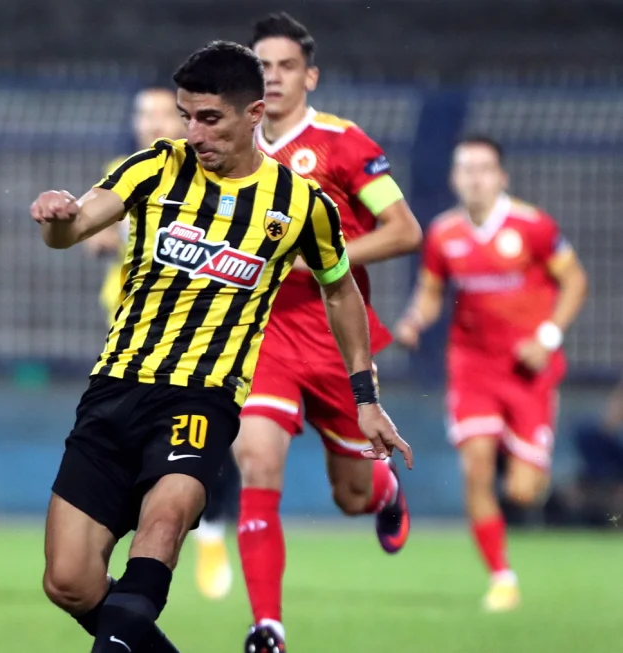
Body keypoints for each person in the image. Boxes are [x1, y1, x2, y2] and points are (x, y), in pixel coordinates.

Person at [30, 41, 412, 653]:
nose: (194, 132)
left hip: (202, 400)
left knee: (164, 524)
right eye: (187, 116)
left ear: (254, 113)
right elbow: (75, 227)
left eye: (210, 118)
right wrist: (58, 219)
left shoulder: (300, 204)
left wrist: (365, 398)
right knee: (69, 581)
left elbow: (340, 290)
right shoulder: (155, 167)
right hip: (115, 389)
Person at [230, 13, 425, 646]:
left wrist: (320, 258)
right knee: (257, 463)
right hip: (262, 338)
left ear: (309, 76)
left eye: (286, 66)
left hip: (338, 341)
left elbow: (405, 231)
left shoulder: (343, 143)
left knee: (350, 496)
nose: (273, 77)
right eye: (262, 66)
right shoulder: (229, 148)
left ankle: (383, 490)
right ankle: (267, 626)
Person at [395, 135, 587, 612]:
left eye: (484, 169)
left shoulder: (533, 226)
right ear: (454, 178)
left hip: (528, 370)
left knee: (523, 490)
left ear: (501, 176)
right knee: (475, 468)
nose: (475, 178)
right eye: (466, 169)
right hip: (472, 367)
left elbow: (576, 281)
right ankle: (502, 577)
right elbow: (431, 292)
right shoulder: (444, 234)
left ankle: (518, 453)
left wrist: (547, 337)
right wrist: (415, 319)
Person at [83, 85, 238, 602]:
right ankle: (136, 541)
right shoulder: (122, 171)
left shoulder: (211, 177)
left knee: (207, 437)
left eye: (160, 114)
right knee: (129, 437)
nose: (151, 124)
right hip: (128, 327)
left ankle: (209, 530)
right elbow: (92, 230)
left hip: (197, 332)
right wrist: (94, 236)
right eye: (142, 114)